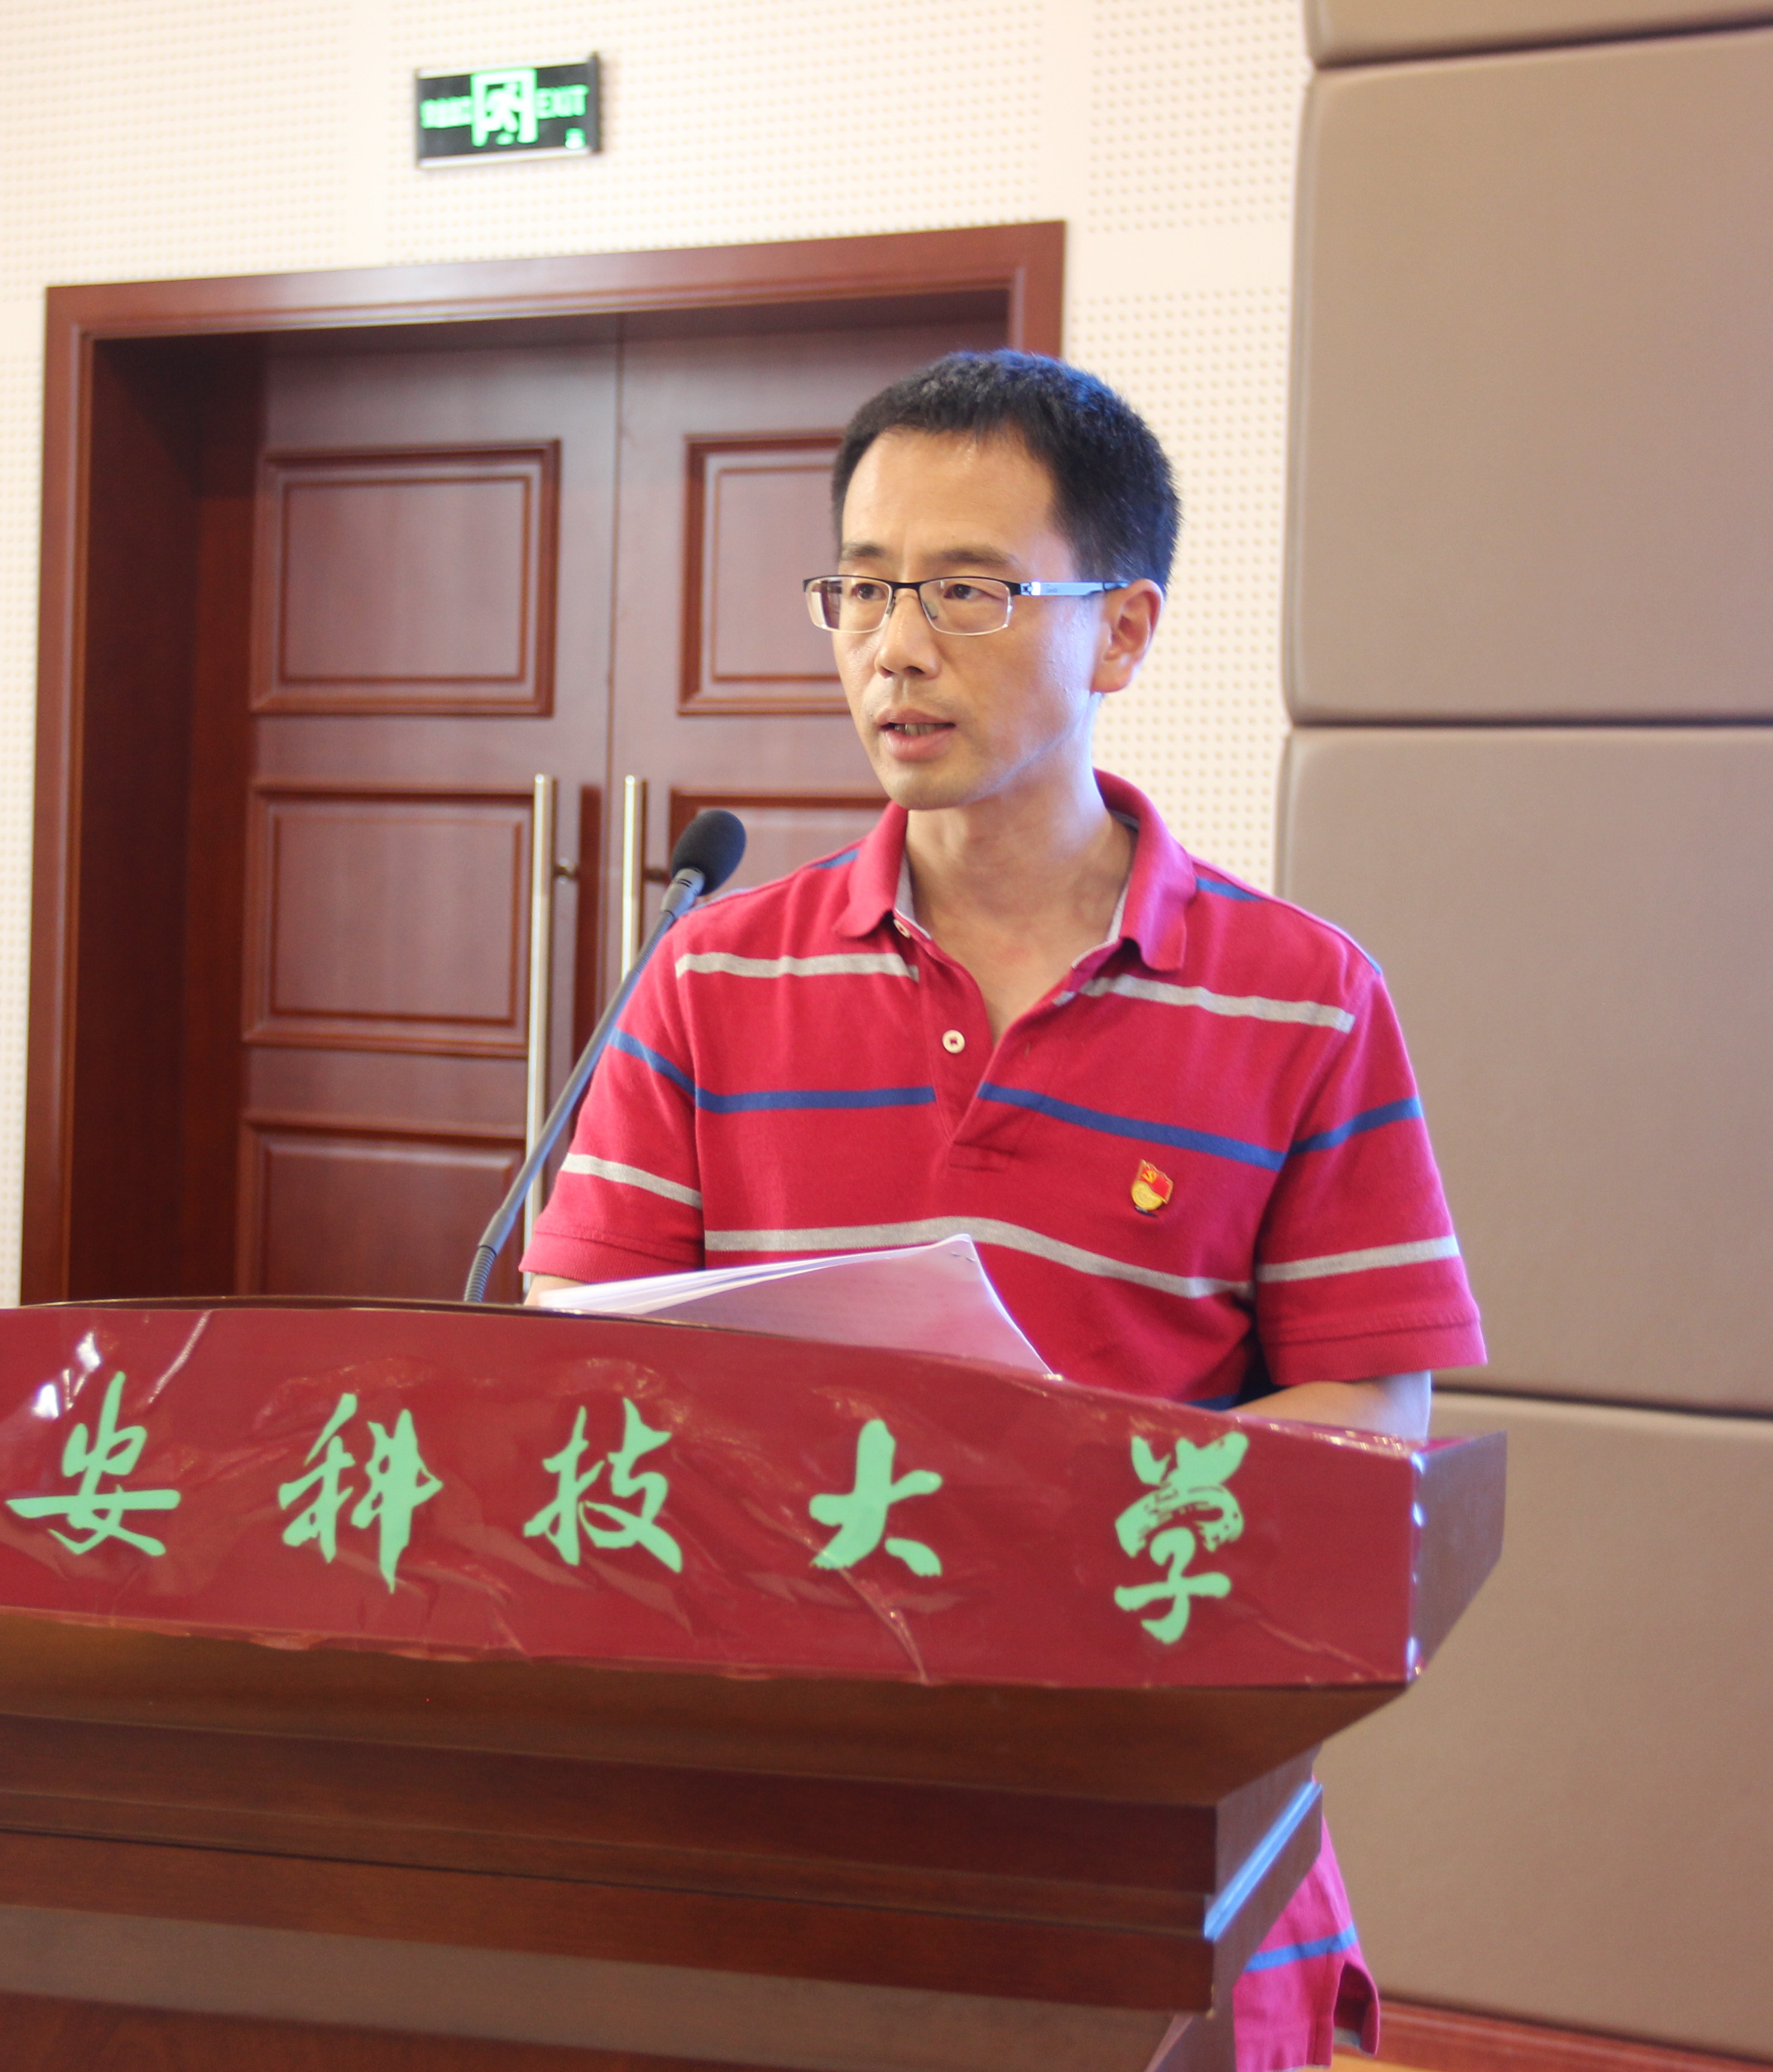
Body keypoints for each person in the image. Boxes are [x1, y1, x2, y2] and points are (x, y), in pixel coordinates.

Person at [522, 350, 1485, 2072]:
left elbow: (1369, 1411)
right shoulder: (713, 978)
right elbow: (579, 1359)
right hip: (768, 1793)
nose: (895, 647)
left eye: (966, 591)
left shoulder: (1301, 998)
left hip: (1139, 1800)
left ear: (1121, 632)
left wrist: (1046, 1516)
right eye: (863, 589)